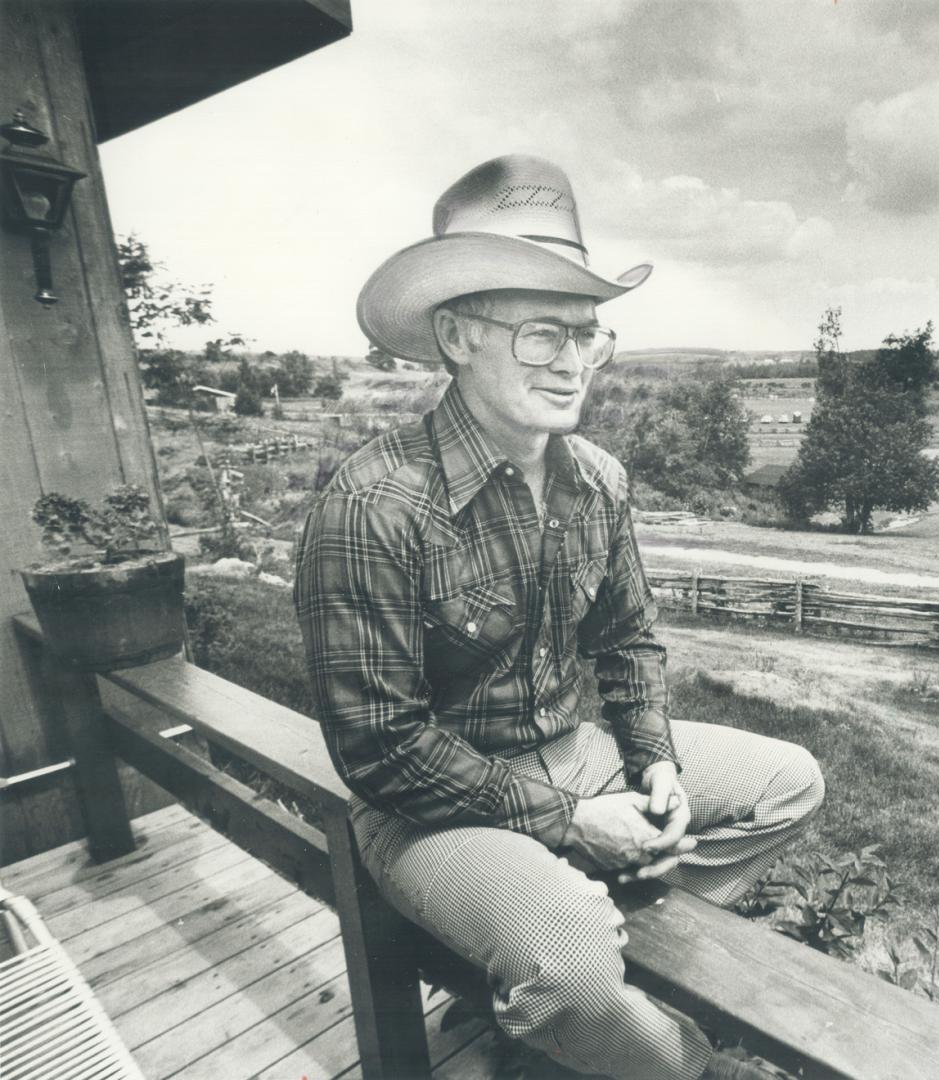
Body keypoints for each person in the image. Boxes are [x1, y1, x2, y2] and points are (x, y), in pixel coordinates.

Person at [293, 154, 824, 1080]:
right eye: (543, 335)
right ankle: (684, 1060)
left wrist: (653, 763)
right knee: (571, 963)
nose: (575, 364)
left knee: (791, 781)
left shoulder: (596, 479)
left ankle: (590, 934)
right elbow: (379, 748)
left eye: (589, 335)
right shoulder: (373, 503)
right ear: (457, 335)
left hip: (570, 750)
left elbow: (626, 642)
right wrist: (572, 823)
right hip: (428, 811)